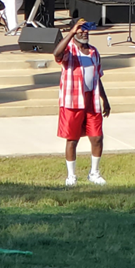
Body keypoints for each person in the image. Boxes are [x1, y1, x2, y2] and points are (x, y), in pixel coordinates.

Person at [53, 18, 110, 186]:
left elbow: (98, 77)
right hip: (72, 101)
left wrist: (105, 99)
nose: (84, 32)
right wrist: (71, 32)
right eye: (80, 29)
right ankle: (71, 176)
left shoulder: (93, 52)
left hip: (91, 100)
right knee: (72, 139)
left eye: (86, 29)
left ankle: (94, 172)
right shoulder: (69, 50)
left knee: (97, 137)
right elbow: (56, 54)